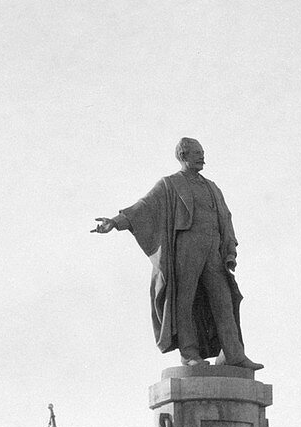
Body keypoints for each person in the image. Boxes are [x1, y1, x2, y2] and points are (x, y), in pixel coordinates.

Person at [93, 138, 262, 370]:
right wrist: (115, 222)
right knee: (185, 301)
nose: (202, 157)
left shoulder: (212, 187)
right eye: (196, 153)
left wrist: (230, 249)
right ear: (183, 155)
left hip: (213, 249)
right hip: (186, 248)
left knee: (224, 300)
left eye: (202, 152)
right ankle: (189, 352)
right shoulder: (170, 184)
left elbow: (226, 218)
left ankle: (233, 354)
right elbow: (143, 207)